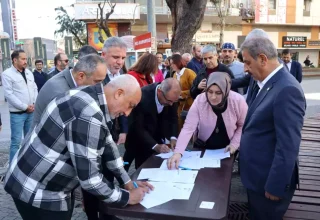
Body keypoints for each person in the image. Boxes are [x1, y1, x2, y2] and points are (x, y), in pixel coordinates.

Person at [4, 75, 153, 220]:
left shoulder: (90, 95)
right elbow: (90, 180)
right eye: (130, 105)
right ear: (119, 93)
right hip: (37, 192)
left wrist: (127, 183)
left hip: (33, 181)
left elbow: (109, 147)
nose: (127, 113)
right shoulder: (89, 115)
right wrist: (127, 198)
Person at [239, 37, 305, 220]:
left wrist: (276, 185)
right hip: (258, 178)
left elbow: (288, 145)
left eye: (247, 62)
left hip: (268, 184)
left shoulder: (287, 89)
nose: (245, 68)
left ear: (262, 58)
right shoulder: (269, 83)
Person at [167, 72, 248, 169]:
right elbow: (189, 127)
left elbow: (243, 125)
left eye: (218, 93)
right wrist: (178, 152)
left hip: (227, 148)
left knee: (223, 177)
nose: (213, 97)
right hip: (203, 145)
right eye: (209, 91)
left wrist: (234, 144)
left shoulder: (238, 100)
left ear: (226, 90)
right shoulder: (200, 100)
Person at [31, 54, 106, 129]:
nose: (99, 86)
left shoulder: (71, 80)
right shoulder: (60, 92)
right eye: (97, 81)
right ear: (81, 76)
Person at [125, 78, 180, 169]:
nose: (171, 104)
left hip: (158, 136)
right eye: (169, 101)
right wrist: (155, 146)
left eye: (174, 102)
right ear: (159, 92)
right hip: (138, 139)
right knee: (136, 167)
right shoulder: (142, 97)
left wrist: (173, 137)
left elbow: (173, 118)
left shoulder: (171, 97)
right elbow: (138, 127)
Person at [2, 50, 38, 163]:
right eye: (22, 59)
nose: (25, 61)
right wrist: (24, 107)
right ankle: (12, 167)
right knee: (16, 142)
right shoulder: (7, 74)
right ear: (15, 60)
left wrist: (34, 103)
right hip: (17, 114)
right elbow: (9, 95)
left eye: (26, 59)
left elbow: (34, 88)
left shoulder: (29, 73)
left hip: (31, 112)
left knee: (29, 140)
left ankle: (28, 164)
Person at [101, 37, 129, 145]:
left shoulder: (122, 74)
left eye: (123, 58)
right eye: (116, 57)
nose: (120, 62)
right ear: (103, 55)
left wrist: (123, 130)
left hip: (114, 133)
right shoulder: (94, 76)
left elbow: (122, 104)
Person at [171, 54, 197, 130]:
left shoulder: (189, 73)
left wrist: (181, 93)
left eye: (172, 63)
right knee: (180, 126)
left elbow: (195, 89)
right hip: (180, 105)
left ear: (177, 63)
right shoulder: (175, 74)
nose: (171, 65)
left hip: (190, 105)